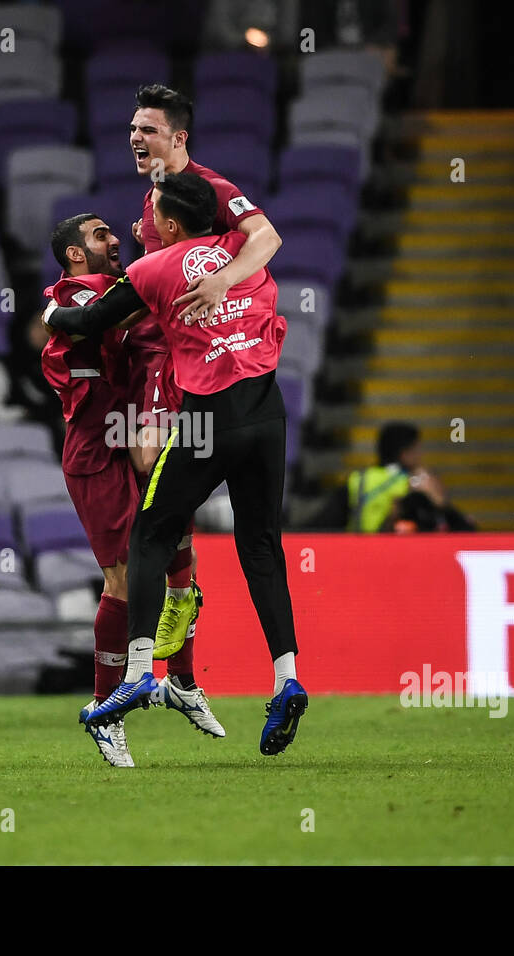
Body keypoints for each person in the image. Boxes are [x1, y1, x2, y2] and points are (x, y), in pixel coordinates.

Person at [44, 173, 306, 757]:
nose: (135, 229)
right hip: (267, 416)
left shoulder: (152, 272)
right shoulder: (243, 254)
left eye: (150, 217)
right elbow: (262, 234)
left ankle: (143, 672)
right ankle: (287, 677)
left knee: (152, 533)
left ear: (169, 225)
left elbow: (85, 320)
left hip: (206, 423)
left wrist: (52, 317)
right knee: (260, 547)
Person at [45, 212, 225, 767]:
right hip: (99, 451)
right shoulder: (80, 291)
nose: (114, 240)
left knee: (179, 557)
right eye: (100, 236)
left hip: (139, 430)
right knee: (124, 580)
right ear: (77, 253)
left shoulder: (127, 286)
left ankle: (184, 681)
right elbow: (82, 320)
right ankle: (105, 710)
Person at [124, 83, 287, 666]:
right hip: (160, 358)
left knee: (155, 469)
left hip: (203, 362)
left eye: (149, 129)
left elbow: (266, 238)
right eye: (135, 128)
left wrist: (223, 282)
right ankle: (180, 589)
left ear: (178, 137)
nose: (137, 137)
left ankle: (179, 593)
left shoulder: (211, 189)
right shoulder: (152, 204)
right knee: (147, 468)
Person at [325, 422, 475, 532]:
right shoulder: (416, 482)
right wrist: (440, 502)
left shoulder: (358, 479)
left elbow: (326, 522)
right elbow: (461, 528)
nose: (421, 455)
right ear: (405, 454)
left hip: (357, 552)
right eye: (417, 449)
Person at [0, 309, 61, 434]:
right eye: (37, 325)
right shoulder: (4, 365)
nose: (45, 332)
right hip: (14, 436)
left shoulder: (60, 364)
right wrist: (25, 414)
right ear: (23, 329)